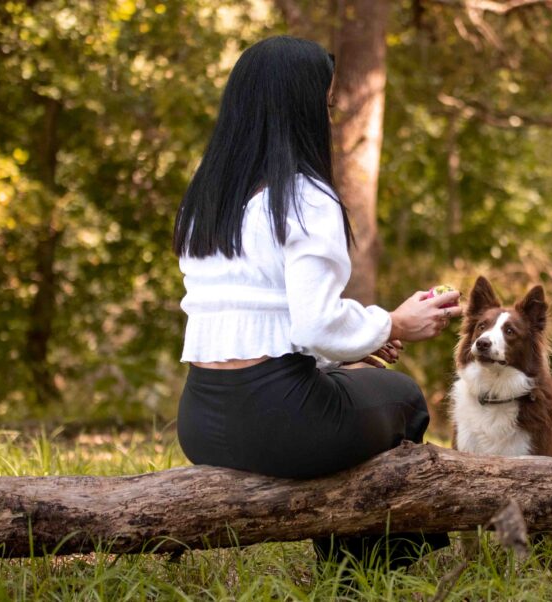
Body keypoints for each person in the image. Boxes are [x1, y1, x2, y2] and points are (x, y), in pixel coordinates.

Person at [171, 36, 462, 571]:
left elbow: (268, 319)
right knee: (403, 397)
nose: (328, 118)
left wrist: (346, 353)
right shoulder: (305, 198)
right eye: (325, 105)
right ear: (300, 107)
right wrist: (395, 321)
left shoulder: (205, 200)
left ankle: (349, 565)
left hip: (201, 419)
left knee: (354, 385)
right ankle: (363, 572)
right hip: (276, 420)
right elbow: (317, 323)